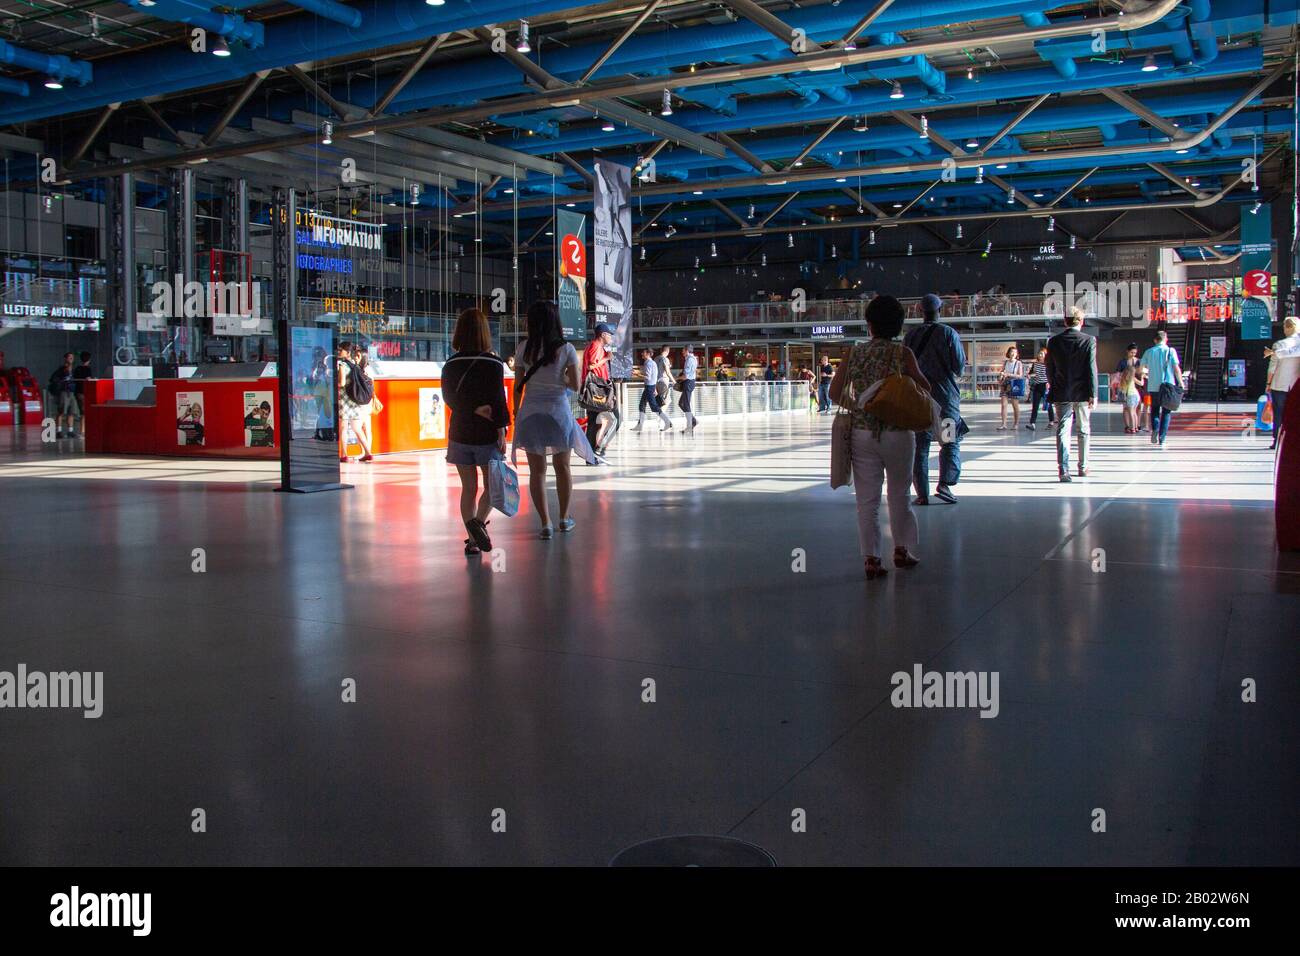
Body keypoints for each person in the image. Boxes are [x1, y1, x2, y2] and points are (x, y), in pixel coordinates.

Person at [829, 295, 930, 579]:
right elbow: (925, 388)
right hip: (899, 433)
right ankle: (902, 550)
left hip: (861, 434)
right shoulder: (903, 354)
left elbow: (834, 394)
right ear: (898, 325)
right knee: (900, 494)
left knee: (867, 500)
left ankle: (871, 559)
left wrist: (861, 407)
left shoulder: (854, 353)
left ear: (869, 324)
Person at [513, 300, 598, 540]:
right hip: (557, 414)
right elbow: (576, 385)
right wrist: (560, 377)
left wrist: (514, 412)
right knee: (562, 468)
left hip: (530, 413)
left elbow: (518, 388)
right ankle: (563, 517)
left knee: (536, 471)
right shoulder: (567, 349)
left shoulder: (523, 348)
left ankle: (545, 523)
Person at [442, 308, 511, 556]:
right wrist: (502, 431)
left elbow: (448, 397)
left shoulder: (450, 364)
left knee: (467, 488)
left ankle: (472, 537)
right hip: (486, 434)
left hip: (459, 432)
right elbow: (498, 401)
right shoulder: (493, 362)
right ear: (484, 332)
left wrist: (471, 409)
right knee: (492, 487)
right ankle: (478, 527)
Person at [904, 293, 965, 505]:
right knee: (949, 441)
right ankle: (945, 485)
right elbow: (958, 366)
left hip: (919, 400)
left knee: (920, 447)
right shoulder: (949, 333)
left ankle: (922, 494)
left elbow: (905, 368)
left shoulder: (910, 336)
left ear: (920, 311)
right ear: (940, 310)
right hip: (946, 400)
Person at [1046, 307, 1098, 481]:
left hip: (1061, 391)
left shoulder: (1053, 342)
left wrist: (1055, 384)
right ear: (1081, 322)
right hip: (1082, 392)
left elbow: (1050, 369)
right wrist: (1093, 393)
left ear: (1065, 321)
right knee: (1083, 429)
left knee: (1063, 429)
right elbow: (1091, 369)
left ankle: (1064, 469)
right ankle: (1083, 467)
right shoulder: (1089, 340)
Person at [1140, 329, 1184, 448]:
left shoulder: (1149, 352)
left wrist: (1149, 372)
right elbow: (1176, 368)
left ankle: (1154, 428)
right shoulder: (1170, 351)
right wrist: (1180, 382)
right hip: (1167, 385)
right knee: (1166, 412)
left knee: (1154, 409)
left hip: (1153, 386)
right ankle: (1162, 438)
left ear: (1155, 340)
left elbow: (1141, 369)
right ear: (1166, 339)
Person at [582, 322, 619, 455]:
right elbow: (591, 366)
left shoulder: (596, 346)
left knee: (595, 421)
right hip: (597, 390)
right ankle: (598, 449)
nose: (611, 338)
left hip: (597, 389)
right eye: (609, 335)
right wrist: (606, 358)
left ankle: (592, 452)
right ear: (603, 335)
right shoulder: (595, 346)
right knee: (615, 419)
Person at [1265, 316, 1300, 450]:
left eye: (1285, 327)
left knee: (1279, 413)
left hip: (1280, 384)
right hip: (1296, 385)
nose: (1284, 330)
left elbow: (1272, 367)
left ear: (1288, 327)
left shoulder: (1279, 344)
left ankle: (1277, 440)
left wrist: (1268, 384)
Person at [338, 344, 375, 463]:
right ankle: (368, 453)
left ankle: (344, 455)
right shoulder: (355, 365)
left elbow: (342, 383)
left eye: (341, 350)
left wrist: (335, 383)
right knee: (357, 428)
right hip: (355, 400)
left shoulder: (342, 364)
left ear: (348, 352)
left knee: (343, 428)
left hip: (344, 400)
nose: (339, 352)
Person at [632, 347, 673, 432]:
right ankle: (640, 425)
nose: (642, 354)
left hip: (649, 387)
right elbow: (654, 376)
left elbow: (648, 376)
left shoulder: (649, 363)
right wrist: (654, 387)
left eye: (643, 352)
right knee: (642, 405)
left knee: (654, 407)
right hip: (650, 387)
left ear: (648, 354)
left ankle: (667, 422)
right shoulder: (652, 363)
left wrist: (636, 374)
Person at [1114, 343, 1143, 434]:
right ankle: (1128, 426)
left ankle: (1136, 425)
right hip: (1127, 387)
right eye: (1131, 352)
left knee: (1137, 407)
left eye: (1135, 353)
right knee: (1127, 408)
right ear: (1127, 351)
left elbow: (1143, 371)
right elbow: (1117, 374)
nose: (1133, 354)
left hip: (1136, 387)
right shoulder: (1122, 362)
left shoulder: (1138, 361)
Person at [48, 352, 77, 438]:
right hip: (64, 392)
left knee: (71, 412)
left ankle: (70, 430)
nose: (71, 359)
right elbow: (53, 379)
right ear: (66, 359)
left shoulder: (73, 370)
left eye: (72, 357)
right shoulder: (61, 370)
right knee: (61, 411)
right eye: (70, 357)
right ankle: (59, 431)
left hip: (71, 392)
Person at [1026, 346, 1055, 431]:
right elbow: (1033, 373)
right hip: (1037, 385)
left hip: (1046, 386)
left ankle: (1051, 421)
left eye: (1042, 354)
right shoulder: (1035, 364)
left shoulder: (1048, 364)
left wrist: (1049, 383)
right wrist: (1029, 375)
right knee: (1035, 405)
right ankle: (1032, 423)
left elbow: (1051, 374)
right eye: (1039, 353)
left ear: (1046, 355)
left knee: (1048, 404)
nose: (1040, 355)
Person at [996, 345, 1024, 429]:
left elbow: (1020, 375)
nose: (1013, 354)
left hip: (1014, 384)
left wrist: (1008, 374)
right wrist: (1001, 375)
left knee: (1015, 405)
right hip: (1005, 384)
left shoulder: (1018, 363)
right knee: (1004, 404)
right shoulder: (1005, 362)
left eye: (1015, 352)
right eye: (1011, 352)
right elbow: (1002, 372)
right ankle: (1003, 424)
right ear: (1008, 353)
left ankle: (1016, 424)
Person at [71, 351, 93, 437]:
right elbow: (88, 379)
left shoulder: (77, 369)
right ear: (89, 360)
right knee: (84, 412)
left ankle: (82, 430)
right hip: (84, 392)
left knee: (82, 412)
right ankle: (82, 431)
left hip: (78, 392)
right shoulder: (88, 369)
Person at [679, 346, 699, 432]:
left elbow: (686, 376)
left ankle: (690, 425)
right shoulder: (692, 359)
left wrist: (676, 378)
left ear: (687, 351)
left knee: (685, 404)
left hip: (688, 382)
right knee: (682, 403)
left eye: (683, 351)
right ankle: (693, 421)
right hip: (689, 382)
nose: (682, 352)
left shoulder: (690, 359)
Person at [656, 345, 674, 412]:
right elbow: (668, 372)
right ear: (668, 351)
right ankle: (661, 418)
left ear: (661, 350)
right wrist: (674, 381)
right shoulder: (665, 359)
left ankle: (660, 417)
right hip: (663, 382)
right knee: (667, 401)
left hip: (656, 382)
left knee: (661, 400)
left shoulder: (656, 358)